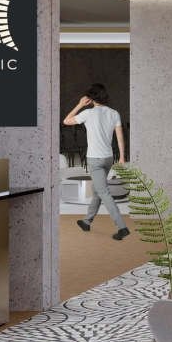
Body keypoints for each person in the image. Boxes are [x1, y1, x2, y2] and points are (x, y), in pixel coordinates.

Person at [64, 84, 129, 240]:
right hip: (108, 158)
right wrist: (121, 157)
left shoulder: (87, 113)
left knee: (103, 192)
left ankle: (122, 227)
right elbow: (120, 138)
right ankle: (87, 221)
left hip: (94, 159)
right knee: (97, 191)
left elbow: (66, 121)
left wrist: (79, 104)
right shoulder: (114, 113)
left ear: (91, 98)